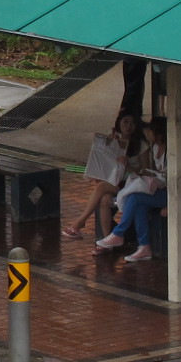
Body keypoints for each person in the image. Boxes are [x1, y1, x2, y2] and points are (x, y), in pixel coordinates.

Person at [64, 110, 145, 239]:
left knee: (101, 187)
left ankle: (80, 222)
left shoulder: (141, 145)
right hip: (114, 181)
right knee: (105, 199)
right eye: (125, 122)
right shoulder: (113, 138)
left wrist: (128, 165)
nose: (129, 126)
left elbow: (146, 173)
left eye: (133, 123)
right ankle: (107, 241)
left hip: (132, 183)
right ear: (119, 123)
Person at [97, 117, 167, 261]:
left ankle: (118, 233)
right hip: (157, 190)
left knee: (134, 197)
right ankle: (144, 247)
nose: (148, 134)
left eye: (151, 132)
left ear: (158, 134)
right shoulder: (154, 148)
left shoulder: (172, 152)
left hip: (170, 193)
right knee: (139, 206)